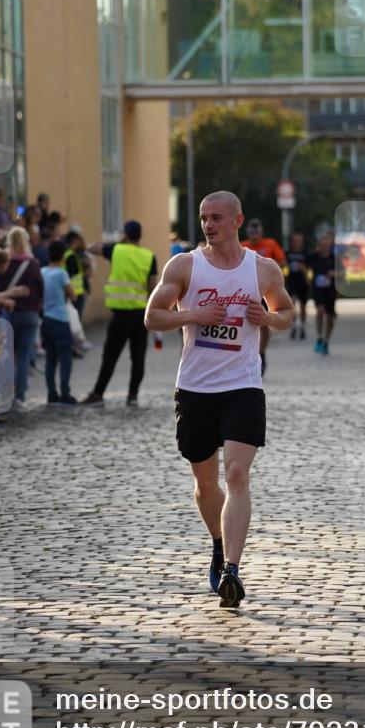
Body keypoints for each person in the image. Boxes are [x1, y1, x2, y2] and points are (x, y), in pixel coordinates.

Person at [145, 191, 294, 608]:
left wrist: (268, 318)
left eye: (216, 217)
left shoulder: (261, 269)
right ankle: (217, 541)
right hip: (195, 389)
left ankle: (232, 568)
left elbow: (286, 313)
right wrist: (193, 315)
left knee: (238, 476)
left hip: (244, 386)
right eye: (203, 218)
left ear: (237, 220)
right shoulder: (185, 266)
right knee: (205, 482)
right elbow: (152, 317)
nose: (208, 224)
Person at [82, 220, 158, 408]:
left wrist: (117, 241)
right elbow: (153, 285)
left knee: (110, 356)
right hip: (140, 313)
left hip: (120, 315)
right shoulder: (149, 256)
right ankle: (132, 396)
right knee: (138, 357)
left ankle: (98, 394)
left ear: (126, 234)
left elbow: (91, 248)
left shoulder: (116, 249)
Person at [0, 227, 43, 410]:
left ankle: (4, 394)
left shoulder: (3, 263)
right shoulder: (33, 264)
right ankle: (20, 396)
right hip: (30, 314)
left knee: (6, 357)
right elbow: (40, 290)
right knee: (23, 357)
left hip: (7, 314)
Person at [241, 219, 286, 374]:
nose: (254, 236)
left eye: (257, 232)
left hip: (265, 290)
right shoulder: (242, 246)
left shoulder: (270, 244)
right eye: (251, 233)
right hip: (247, 291)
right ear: (248, 233)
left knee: (264, 324)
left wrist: (271, 273)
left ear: (261, 232)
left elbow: (281, 261)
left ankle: (261, 353)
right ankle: (248, 355)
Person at [40, 239, 78, 406]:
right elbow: (73, 295)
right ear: (62, 256)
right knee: (65, 358)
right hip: (60, 319)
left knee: (50, 359)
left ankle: (51, 393)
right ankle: (65, 393)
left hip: (46, 319)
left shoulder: (42, 271)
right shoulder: (61, 273)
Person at [308, 231, 338, 355]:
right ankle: (319, 336)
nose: (325, 245)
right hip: (318, 290)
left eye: (327, 243)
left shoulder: (334, 258)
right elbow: (306, 268)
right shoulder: (314, 257)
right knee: (320, 311)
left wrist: (334, 274)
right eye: (322, 243)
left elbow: (343, 273)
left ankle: (326, 340)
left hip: (330, 291)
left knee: (330, 318)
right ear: (319, 244)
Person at [284, 231, 309, 340]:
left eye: (299, 241)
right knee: (292, 305)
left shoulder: (306, 254)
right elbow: (282, 267)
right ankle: (293, 327)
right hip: (292, 282)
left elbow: (311, 269)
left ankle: (302, 327)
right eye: (295, 241)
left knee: (303, 307)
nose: (297, 243)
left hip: (303, 283)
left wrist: (304, 269)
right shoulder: (287, 253)